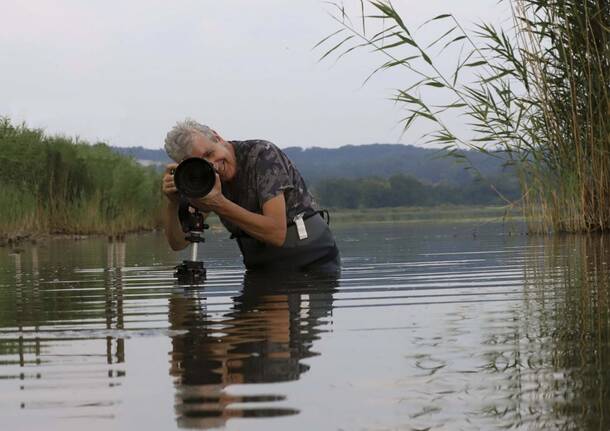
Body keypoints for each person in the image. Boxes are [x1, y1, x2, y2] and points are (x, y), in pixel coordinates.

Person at [162, 119, 340, 272]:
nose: (213, 166)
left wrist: (219, 203)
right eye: (201, 163)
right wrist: (173, 203)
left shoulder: (262, 155)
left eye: (210, 153)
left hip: (311, 261)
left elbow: (276, 233)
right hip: (262, 268)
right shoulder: (202, 179)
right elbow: (178, 243)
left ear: (218, 138)